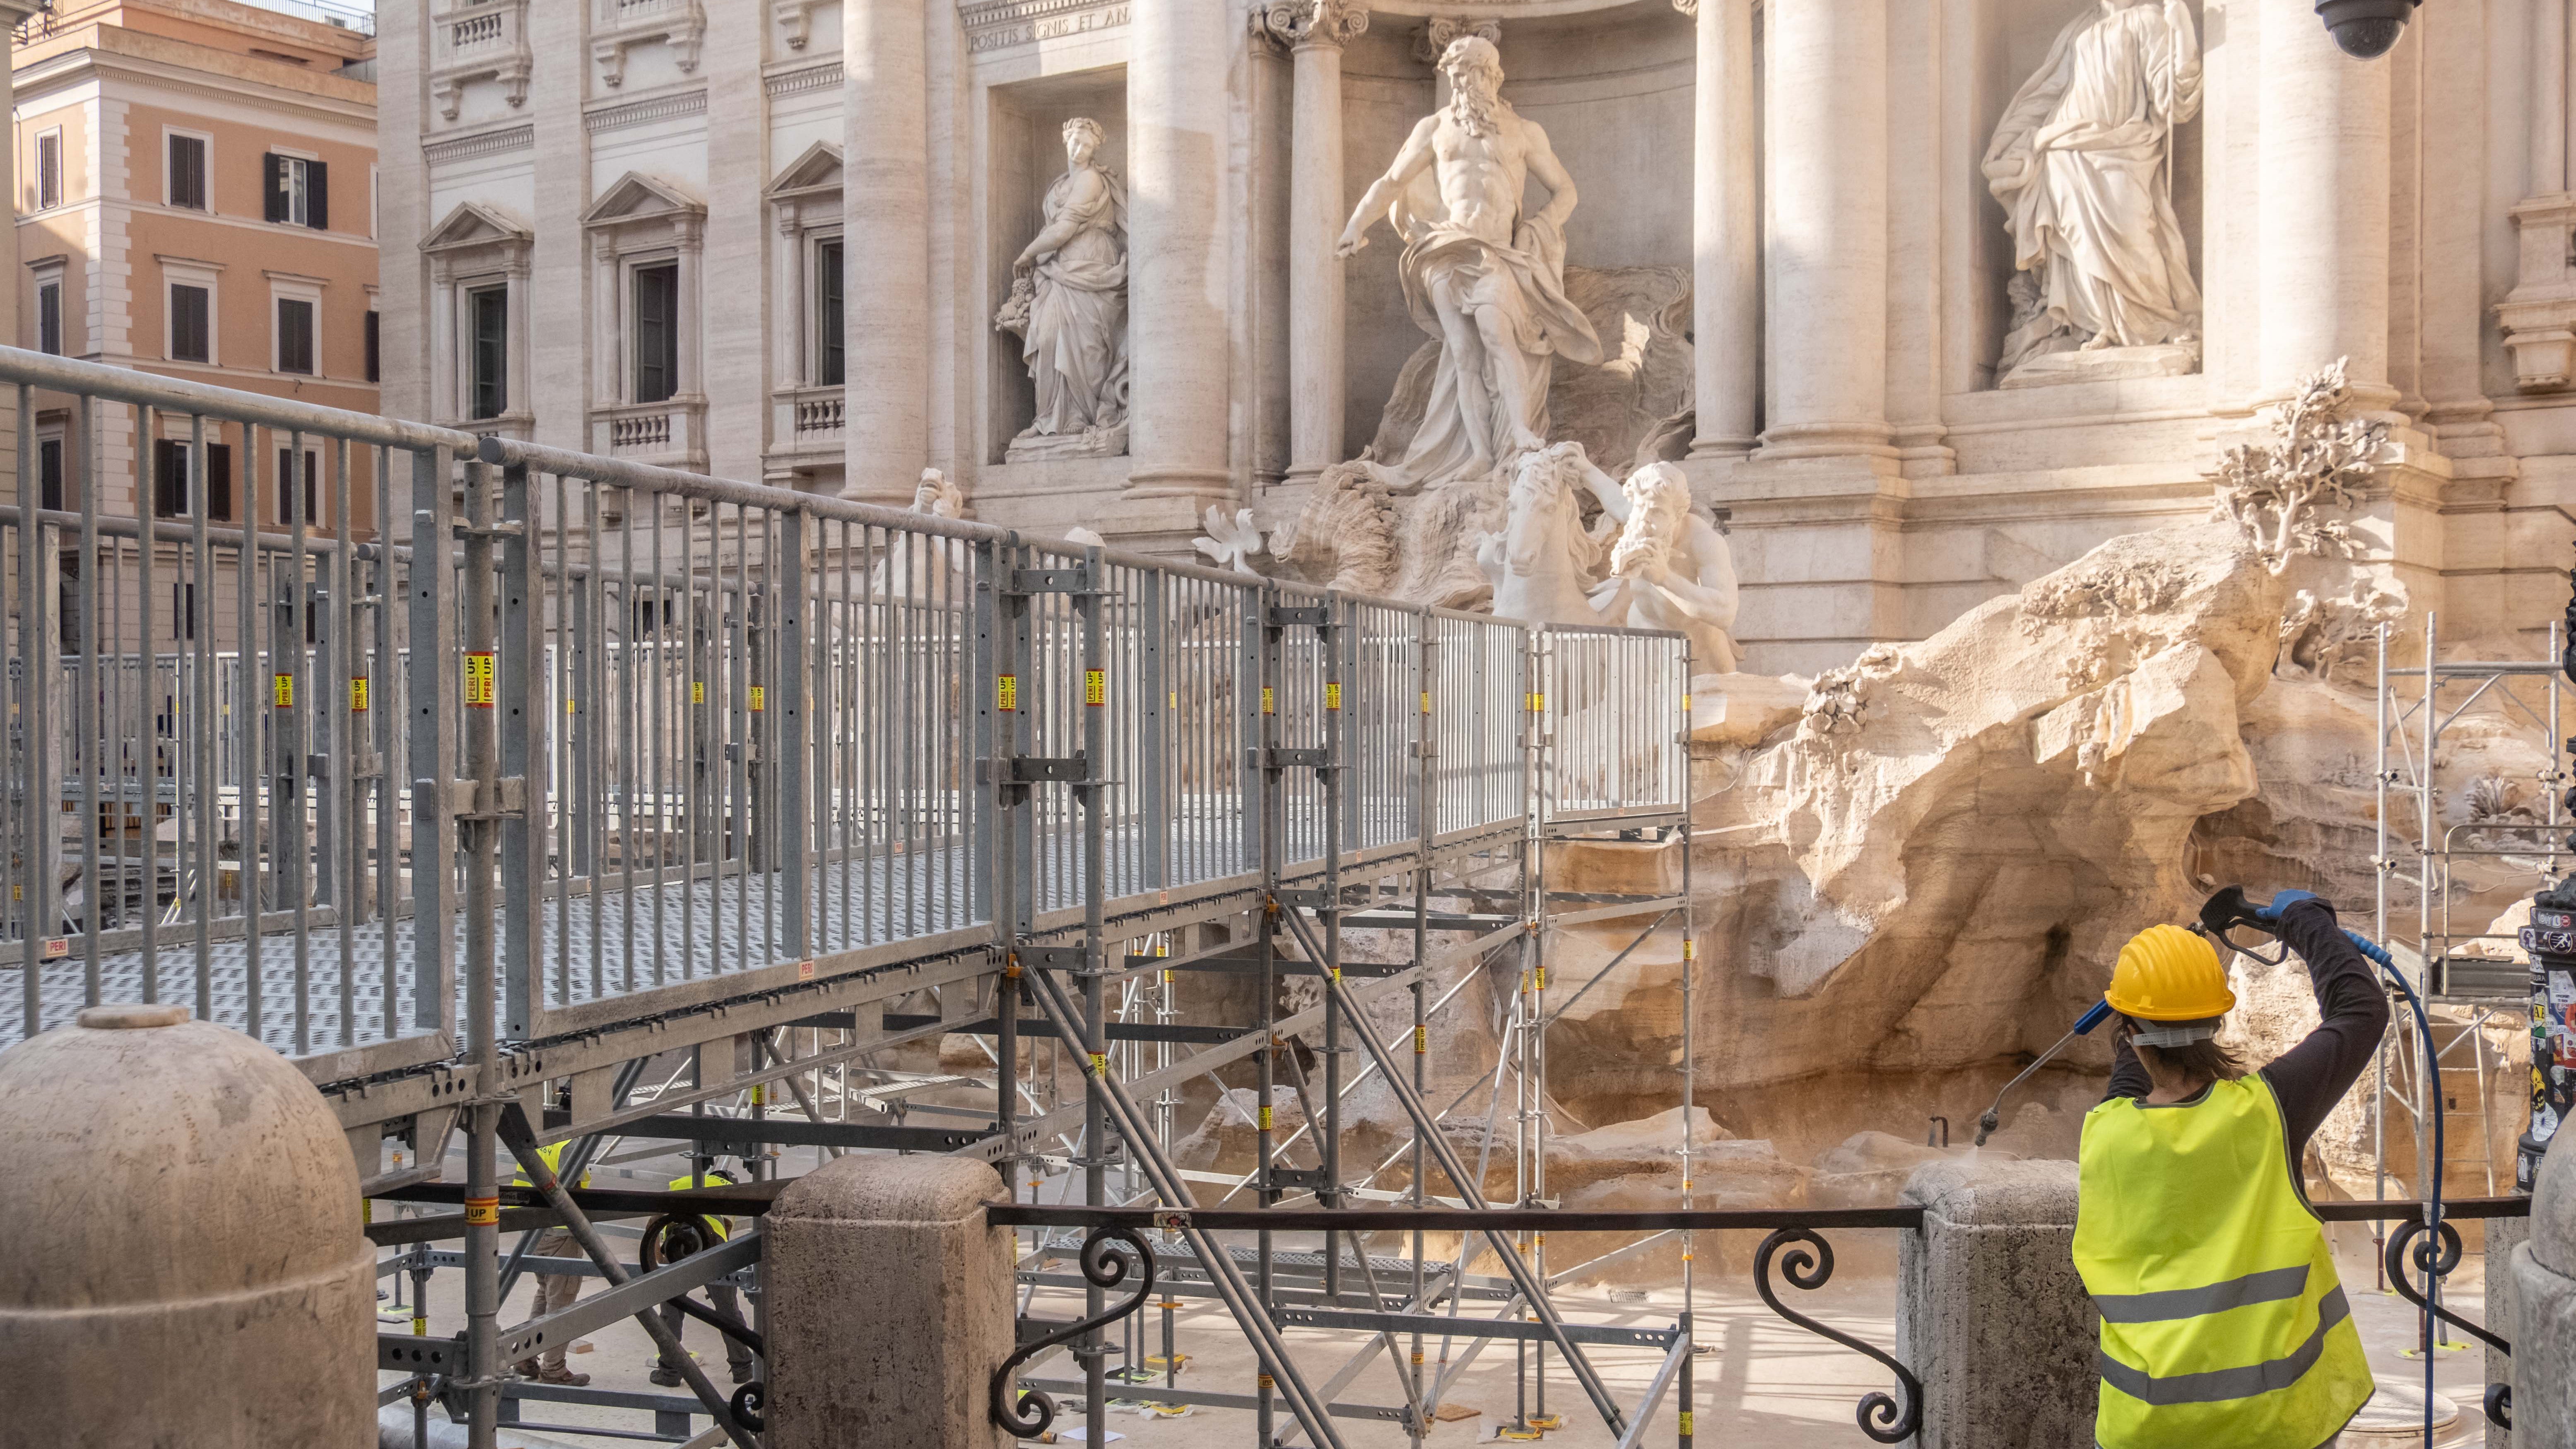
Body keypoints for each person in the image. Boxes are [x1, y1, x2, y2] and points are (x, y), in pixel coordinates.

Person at [2075, 892, 2387, 1447]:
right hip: (2272, 1424)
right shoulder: (2268, 1110)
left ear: (2125, 1029)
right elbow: (2361, 1012)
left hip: (2144, 1426)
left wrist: (2173, 969)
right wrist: (2304, 921)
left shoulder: (2106, 1130)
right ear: (2219, 1020)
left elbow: (2136, 1067)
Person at [650, 1163, 758, 1389]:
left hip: (677, 1242)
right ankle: (742, 1369)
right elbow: (725, 1232)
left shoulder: (683, 1182)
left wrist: (657, 1252)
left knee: (672, 1309)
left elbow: (654, 1219)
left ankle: (669, 1372)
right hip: (711, 1245)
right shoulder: (730, 1192)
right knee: (728, 1310)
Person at [511, 1140, 592, 1387]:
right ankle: (554, 1369)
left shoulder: (537, 1141)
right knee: (561, 1302)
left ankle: (526, 1356)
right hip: (559, 1232)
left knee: (545, 1294)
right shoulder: (569, 1146)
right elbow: (571, 1192)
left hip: (532, 1229)